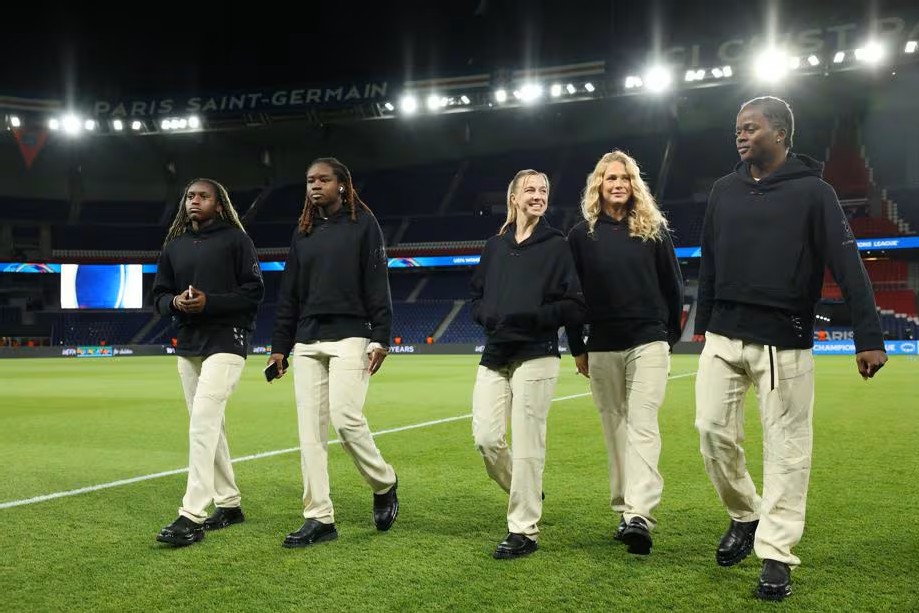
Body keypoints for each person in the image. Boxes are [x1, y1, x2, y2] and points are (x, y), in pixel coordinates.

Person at [693, 96, 887, 600]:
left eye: (750, 127)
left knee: (787, 450)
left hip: (784, 341)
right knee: (711, 432)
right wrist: (703, 325)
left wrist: (868, 337)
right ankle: (745, 515)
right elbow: (709, 262)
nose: (739, 135)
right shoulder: (722, 190)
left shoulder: (814, 193)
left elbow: (848, 266)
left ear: (779, 134)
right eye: (737, 128)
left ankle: (776, 554)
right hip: (722, 334)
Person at [267, 157, 398, 548]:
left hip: (350, 336)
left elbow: (378, 282)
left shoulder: (364, 225)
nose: (315, 185)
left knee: (345, 419)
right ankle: (319, 516)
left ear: (342, 185)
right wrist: (279, 347)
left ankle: (383, 481)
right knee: (309, 433)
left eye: (323, 179)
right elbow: (288, 294)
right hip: (307, 340)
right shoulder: (303, 232)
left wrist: (381, 336)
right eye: (309, 180)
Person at [566, 150, 683, 556]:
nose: (618, 184)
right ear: (598, 185)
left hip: (648, 341)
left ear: (635, 185)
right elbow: (572, 295)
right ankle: (624, 509)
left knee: (643, 424)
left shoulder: (654, 230)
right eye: (611, 178)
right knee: (614, 429)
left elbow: (674, 287)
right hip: (601, 344)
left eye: (626, 178)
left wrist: (668, 337)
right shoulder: (581, 235)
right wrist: (577, 346)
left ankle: (641, 515)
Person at [469, 169, 586, 559]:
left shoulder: (557, 245)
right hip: (495, 352)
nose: (538, 196)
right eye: (530, 190)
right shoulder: (494, 246)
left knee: (527, 441)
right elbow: (475, 297)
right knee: (486, 438)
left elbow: (573, 303)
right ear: (514, 198)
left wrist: (534, 320)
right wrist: (487, 316)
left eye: (544, 191)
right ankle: (528, 489)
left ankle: (523, 529)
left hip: (537, 351)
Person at [152, 178, 264, 546]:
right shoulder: (174, 246)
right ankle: (229, 504)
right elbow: (159, 295)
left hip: (227, 340)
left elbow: (254, 291)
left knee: (203, 421)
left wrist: (209, 302)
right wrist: (174, 304)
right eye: (189, 196)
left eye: (203, 196)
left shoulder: (237, 240)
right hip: (189, 343)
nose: (194, 201)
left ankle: (192, 515)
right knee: (209, 425)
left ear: (219, 204)